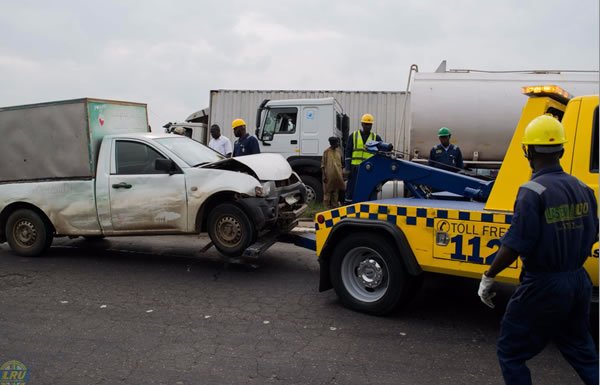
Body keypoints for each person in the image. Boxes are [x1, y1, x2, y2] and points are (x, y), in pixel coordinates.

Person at [477, 115, 599, 385]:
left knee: (511, 352)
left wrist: (489, 276)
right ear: (562, 151)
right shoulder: (584, 188)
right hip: (579, 281)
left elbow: (515, 243)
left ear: (528, 151)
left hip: (543, 284)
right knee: (581, 349)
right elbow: (593, 233)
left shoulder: (532, 191)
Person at [344, 113, 381, 203]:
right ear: (362, 124)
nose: (368, 126)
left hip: (370, 169)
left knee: (369, 187)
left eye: (369, 124)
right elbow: (348, 153)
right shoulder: (353, 136)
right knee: (352, 187)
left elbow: (380, 155)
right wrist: (347, 168)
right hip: (355, 168)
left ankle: (369, 205)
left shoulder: (376, 137)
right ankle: (349, 205)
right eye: (366, 124)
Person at [321, 136, 345, 209]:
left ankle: (334, 209)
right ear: (332, 143)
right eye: (337, 142)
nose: (338, 144)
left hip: (337, 177)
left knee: (335, 194)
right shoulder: (326, 152)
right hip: (328, 177)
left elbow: (342, 164)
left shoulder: (339, 152)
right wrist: (324, 176)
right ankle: (326, 209)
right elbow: (323, 165)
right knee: (327, 193)